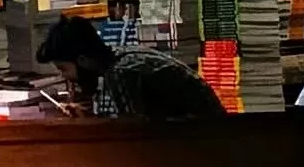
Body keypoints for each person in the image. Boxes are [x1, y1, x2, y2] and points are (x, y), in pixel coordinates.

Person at [37, 14, 226, 119]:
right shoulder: (122, 56)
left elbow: (131, 135)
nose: (65, 77)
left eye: (63, 68)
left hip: (205, 142)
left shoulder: (122, 73)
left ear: (84, 61)